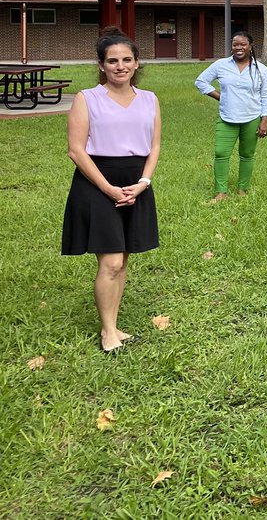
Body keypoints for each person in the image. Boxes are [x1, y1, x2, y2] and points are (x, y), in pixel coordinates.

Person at [63, 27, 161, 353]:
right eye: (112, 60)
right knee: (112, 262)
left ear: (136, 64)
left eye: (126, 60)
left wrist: (143, 183)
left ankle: (115, 324)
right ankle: (107, 332)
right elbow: (77, 150)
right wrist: (108, 188)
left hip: (136, 184)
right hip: (96, 183)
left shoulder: (150, 99)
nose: (120, 66)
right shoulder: (87, 98)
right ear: (102, 65)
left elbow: (155, 145)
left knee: (124, 258)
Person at [194, 32, 267, 202]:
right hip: (227, 117)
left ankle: (242, 190)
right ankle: (220, 192)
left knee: (247, 154)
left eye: (243, 44)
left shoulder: (261, 69)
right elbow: (201, 81)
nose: (239, 48)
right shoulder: (221, 65)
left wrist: (265, 120)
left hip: (252, 118)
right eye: (235, 45)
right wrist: (220, 96)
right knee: (221, 153)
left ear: (250, 46)